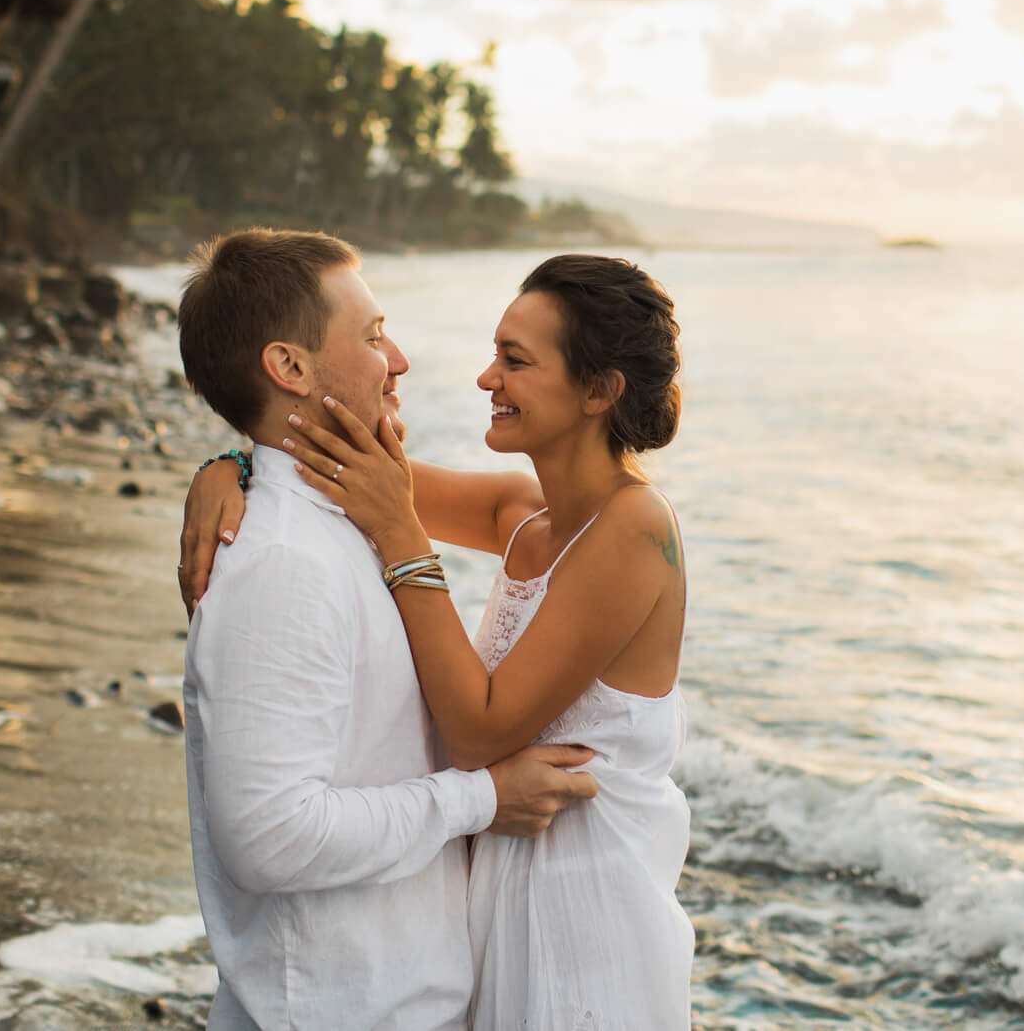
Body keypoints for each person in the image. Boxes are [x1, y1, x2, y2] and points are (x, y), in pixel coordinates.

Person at [181, 252, 695, 1029]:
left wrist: (401, 540)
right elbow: (326, 460)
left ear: (598, 391)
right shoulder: (525, 512)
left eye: (514, 361)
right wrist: (230, 464)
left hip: (583, 918)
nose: (485, 379)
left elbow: (478, 729)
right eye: (494, 353)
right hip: (490, 900)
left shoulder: (635, 528)